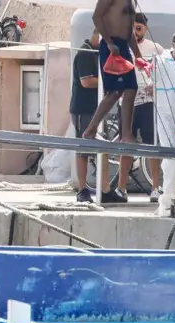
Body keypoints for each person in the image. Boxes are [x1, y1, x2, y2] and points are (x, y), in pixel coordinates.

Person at [81, 0, 140, 204]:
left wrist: (138, 55)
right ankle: (90, 129)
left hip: (123, 46)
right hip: (111, 44)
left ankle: (125, 134)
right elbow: (97, 16)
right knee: (115, 91)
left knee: (132, 88)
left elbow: (130, 31)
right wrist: (107, 42)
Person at [70, 33, 112, 204]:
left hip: (99, 108)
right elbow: (86, 81)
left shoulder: (100, 53)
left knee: (103, 147)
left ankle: (105, 189)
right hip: (83, 109)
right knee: (83, 149)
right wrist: (107, 80)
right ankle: (82, 189)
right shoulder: (84, 53)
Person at [130, 14, 162, 201]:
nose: (135, 32)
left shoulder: (155, 48)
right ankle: (121, 188)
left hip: (148, 101)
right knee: (125, 145)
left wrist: (154, 85)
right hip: (127, 101)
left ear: (145, 28)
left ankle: (155, 187)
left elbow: (164, 72)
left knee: (152, 145)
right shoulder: (123, 47)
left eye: (139, 28)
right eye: (133, 28)